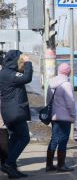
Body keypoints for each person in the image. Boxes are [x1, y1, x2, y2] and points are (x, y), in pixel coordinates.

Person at [0, 50, 33, 178]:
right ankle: (8, 163)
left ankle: (12, 170)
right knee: (25, 137)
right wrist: (28, 62)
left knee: (14, 138)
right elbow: (27, 78)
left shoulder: (4, 72)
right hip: (15, 113)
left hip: (9, 113)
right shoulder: (9, 74)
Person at [46, 63, 76, 172]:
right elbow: (70, 102)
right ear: (68, 72)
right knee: (63, 140)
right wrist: (73, 115)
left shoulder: (52, 83)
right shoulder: (66, 84)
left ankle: (49, 165)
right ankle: (61, 165)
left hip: (55, 116)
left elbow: (48, 99)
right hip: (64, 117)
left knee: (54, 139)